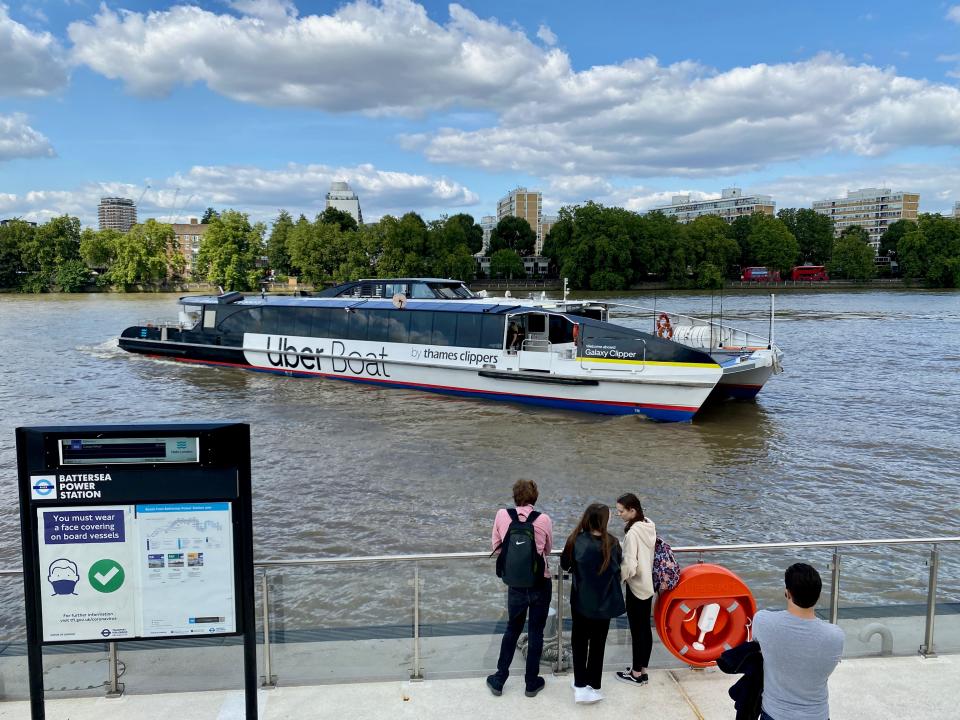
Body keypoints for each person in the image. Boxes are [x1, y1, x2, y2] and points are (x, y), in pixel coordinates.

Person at [486, 479, 554, 698]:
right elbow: (548, 550)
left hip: (515, 584)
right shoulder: (543, 519)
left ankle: (499, 679)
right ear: (535, 497)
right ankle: (531, 683)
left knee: (512, 629)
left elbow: (496, 547)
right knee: (536, 633)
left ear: (514, 496)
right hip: (540, 583)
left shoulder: (501, 515)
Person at [753, 563, 844, 720]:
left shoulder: (763, 620)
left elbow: (757, 646)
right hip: (817, 715)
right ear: (818, 596)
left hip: (774, 714)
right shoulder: (835, 635)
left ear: (787, 593)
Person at [560, 503, 625, 704]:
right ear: (604, 521)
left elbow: (564, 564)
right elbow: (618, 567)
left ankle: (579, 684)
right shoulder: (613, 543)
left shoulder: (576, 540)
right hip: (604, 602)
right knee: (598, 643)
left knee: (579, 642)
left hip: (580, 600)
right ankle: (594, 685)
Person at [613, 492, 656, 686]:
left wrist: (618, 578)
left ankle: (636, 674)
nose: (619, 514)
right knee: (645, 630)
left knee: (637, 631)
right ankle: (642, 670)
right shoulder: (649, 525)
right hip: (649, 585)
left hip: (636, 586)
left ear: (632, 510)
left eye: (621, 511)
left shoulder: (632, 534)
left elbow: (630, 566)